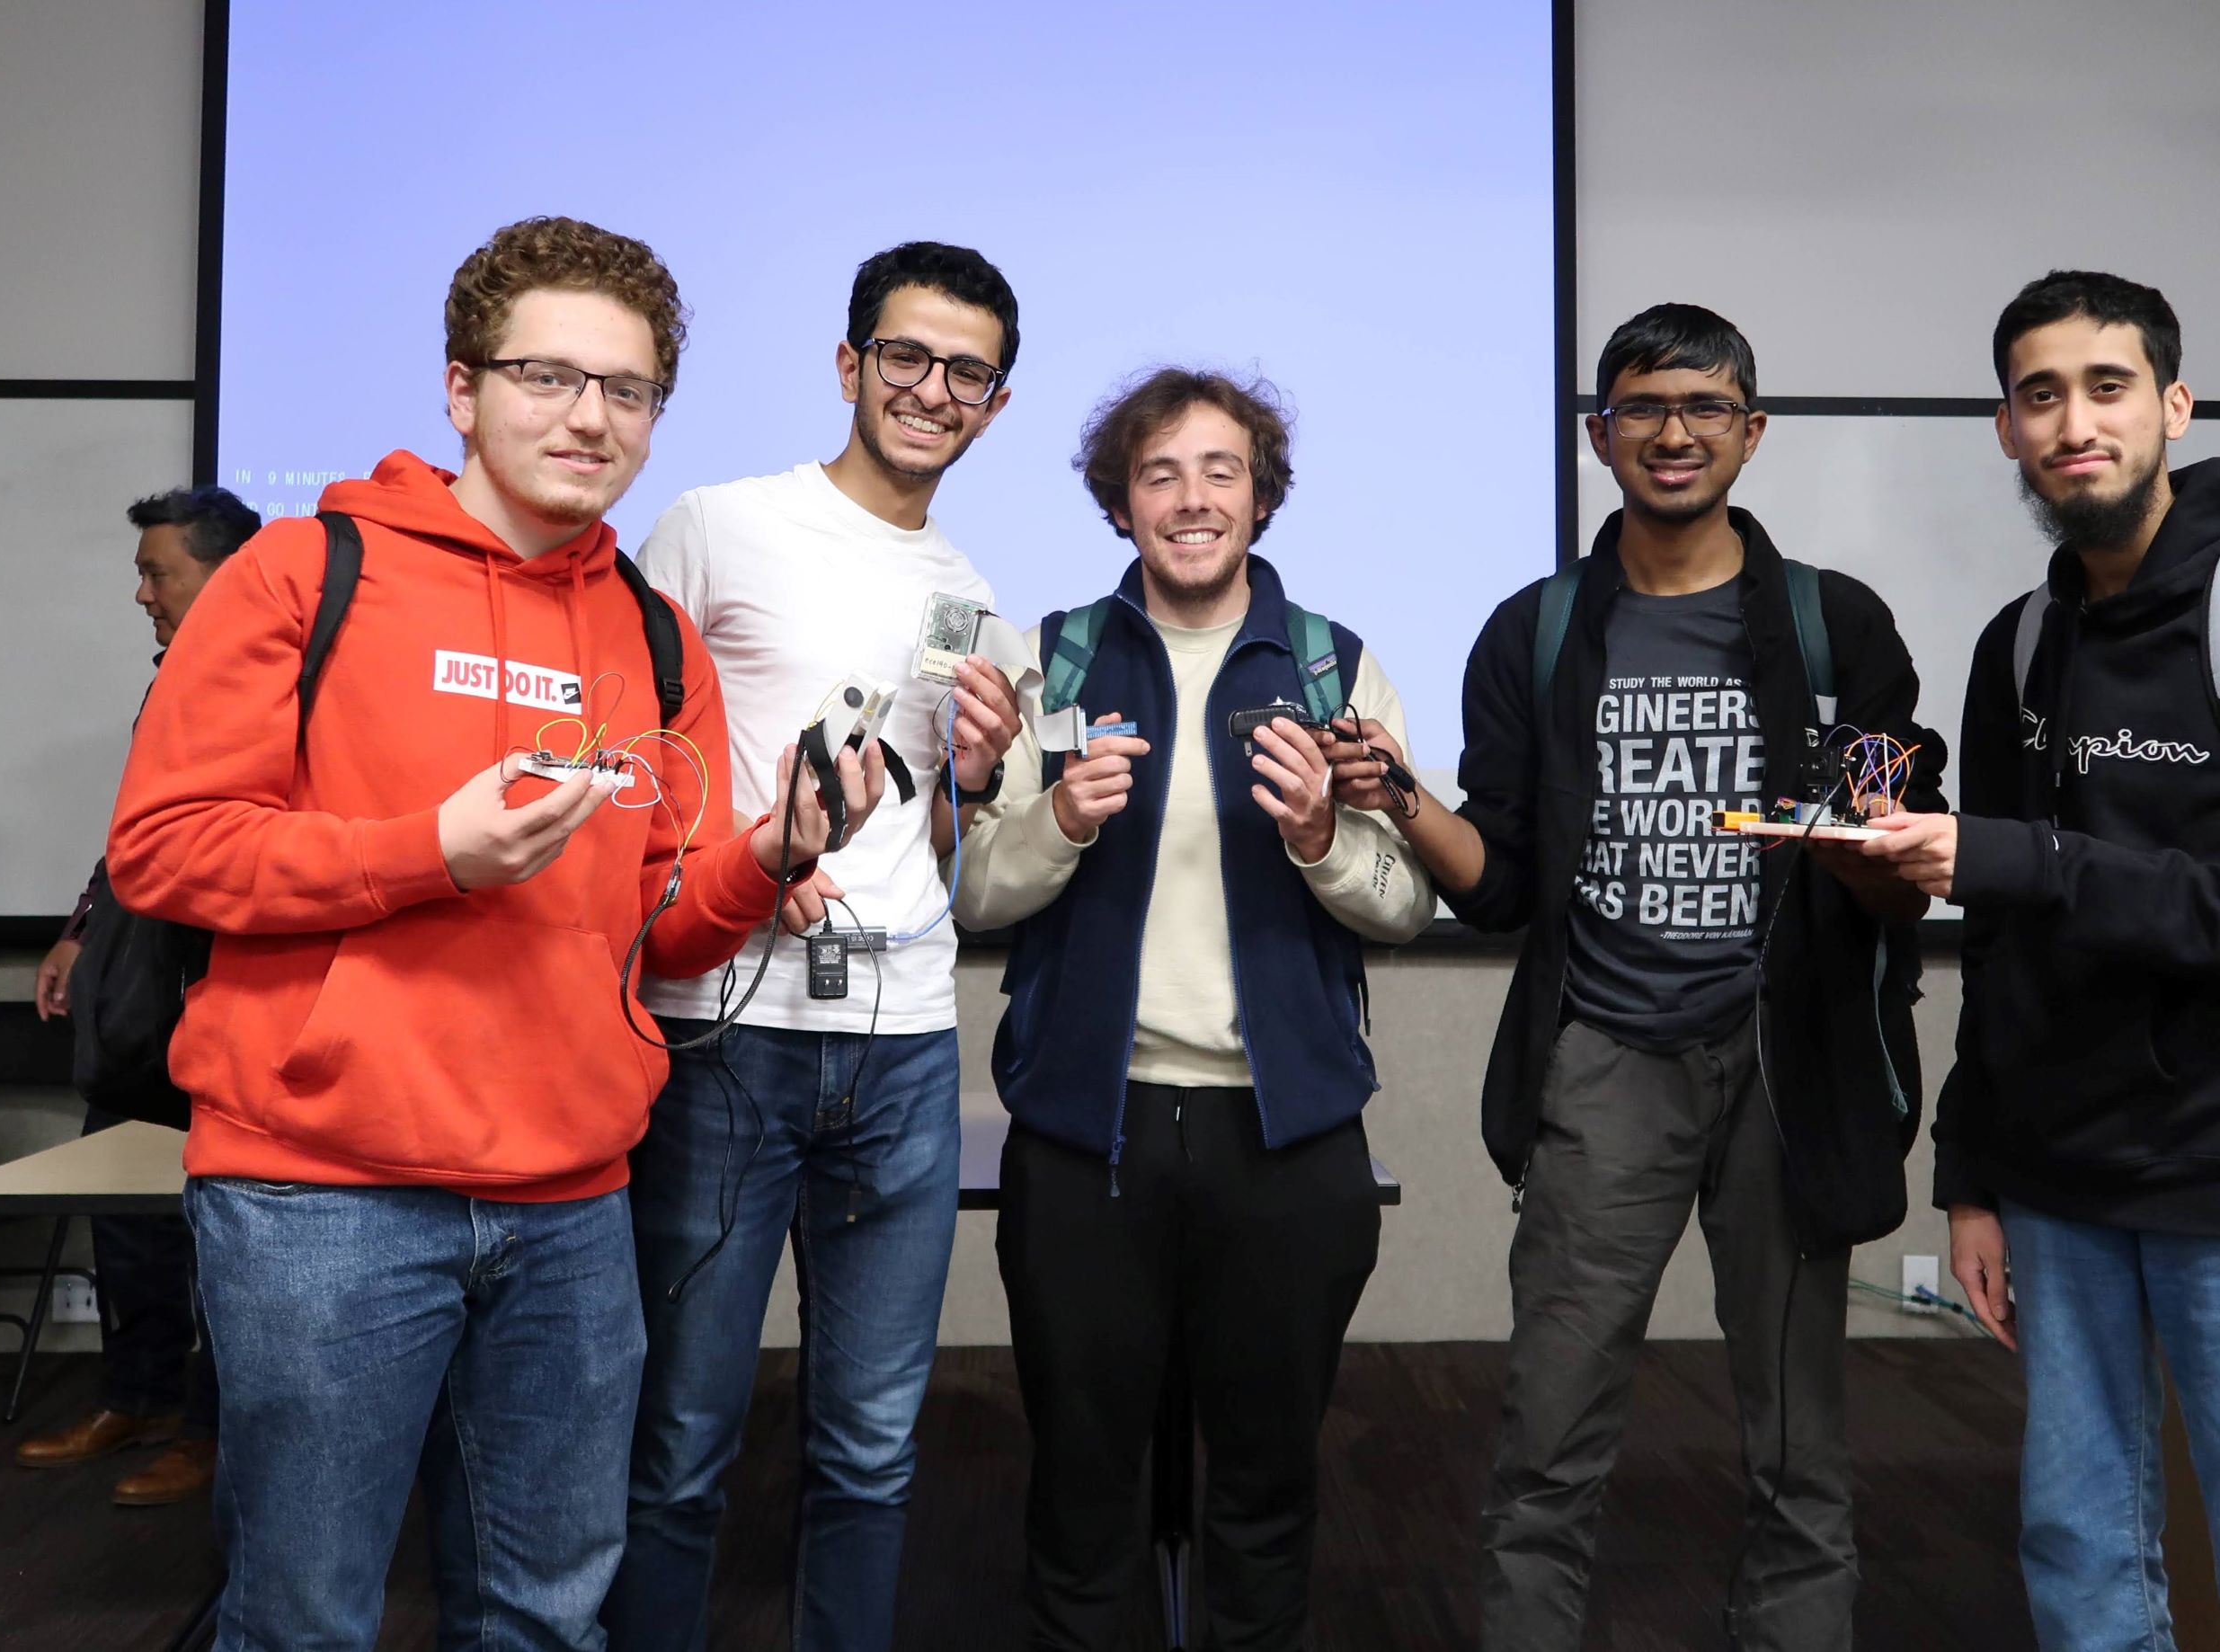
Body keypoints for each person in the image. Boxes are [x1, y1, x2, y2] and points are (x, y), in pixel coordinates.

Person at [103, 215, 877, 1649]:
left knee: (546, 1620)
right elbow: (160, 850)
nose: (589, 416)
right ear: (462, 390)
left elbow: (663, 924)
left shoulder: (653, 634)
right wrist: (424, 855)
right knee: (304, 1623)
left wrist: (766, 858)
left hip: (573, 1205)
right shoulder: (301, 574)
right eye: (547, 375)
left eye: (627, 389)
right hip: (321, 1196)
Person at [1338, 304, 1944, 1650]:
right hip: (1603, 1057)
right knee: (1547, 1445)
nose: (1674, 431)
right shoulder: (1537, 631)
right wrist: (1402, 798)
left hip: (1783, 1066)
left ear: (1753, 429)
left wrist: (1863, 848)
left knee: (1800, 1451)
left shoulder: (1835, 626)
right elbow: (1497, 882)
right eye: (1643, 407)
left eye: (1706, 406)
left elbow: (1897, 863)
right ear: (1598, 433)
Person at [1862, 270, 2220, 1652]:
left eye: (2106, 387)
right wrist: (1969, 1177)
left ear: (2174, 403)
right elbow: (2006, 942)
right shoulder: (2020, 645)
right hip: (2058, 1181)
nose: (2073, 421)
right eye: (2041, 394)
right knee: (2082, 1563)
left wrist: (2020, 857)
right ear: (2005, 428)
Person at [954, 368, 1434, 1649]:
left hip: (1286, 1148)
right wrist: (1055, 817)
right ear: (1121, 503)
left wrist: (1328, 836)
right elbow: (974, 886)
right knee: (1080, 1487)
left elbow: (1405, 907)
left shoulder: (1333, 665)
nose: (1191, 496)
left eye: (1221, 469)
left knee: (1269, 1488)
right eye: (1158, 471)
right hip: (1082, 1139)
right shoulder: (1050, 655)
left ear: (1261, 497)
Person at [603, 241, 1026, 1652]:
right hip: (726, 1032)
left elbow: (945, 844)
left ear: (994, 405)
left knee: (871, 1449)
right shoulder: (719, 523)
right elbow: (634, 750)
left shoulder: (975, 596)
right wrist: (738, 858)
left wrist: (980, 770)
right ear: (849, 366)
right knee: (680, 1442)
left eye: (966, 371)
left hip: (905, 1047)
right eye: (905, 356)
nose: (931, 388)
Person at [18, 485, 259, 1505]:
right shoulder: (172, 681)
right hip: (136, 989)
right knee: (130, 1212)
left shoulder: (267, 687)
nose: (141, 592)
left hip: (214, 995)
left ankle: (212, 1428)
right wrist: (82, 926)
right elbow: (138, 829)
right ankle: (142, 1394)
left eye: (158, 571)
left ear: (225, 574)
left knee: (219, 1223)